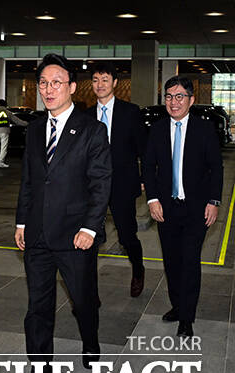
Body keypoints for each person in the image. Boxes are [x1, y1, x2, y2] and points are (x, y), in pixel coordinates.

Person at [14, 54, 111, 373]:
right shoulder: (35, 129)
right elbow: (29, 181)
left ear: (71, 87)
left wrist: (90, 228)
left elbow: (101, 183)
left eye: (56, 82)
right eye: (43, 83)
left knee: (83, 301)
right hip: (38, 234)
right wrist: (21, 221)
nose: (48, 89)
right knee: (38, 307)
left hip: (75, 235)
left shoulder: (92, 130)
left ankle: (91, 340)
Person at [143, 76, 223, 338]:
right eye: (168, 96)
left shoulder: (204, 129)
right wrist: (152, 199)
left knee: (189, 261)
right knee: (171, 261)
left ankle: (187, 317)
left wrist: (214, 201)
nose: (173, 102)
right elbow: (148, 167)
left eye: (179, 96)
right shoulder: (157, 129)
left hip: (196, 209)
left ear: (191, 100)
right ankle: (177, 306)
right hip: (165, 209)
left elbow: (216, 168)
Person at [85, 62, 147, 297]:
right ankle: (87, 288)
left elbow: (144, 150)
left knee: (127, 235)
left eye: (104, 80)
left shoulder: (130, 112)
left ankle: (138, 269)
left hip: (122, 185)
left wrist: (144, 178)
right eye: (95, 80)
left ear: (115, 83)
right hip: (92, 187)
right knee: (89, 235)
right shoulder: (85, 116)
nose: (99, 85)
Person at [0, 99, 28, 168]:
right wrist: (26, 123)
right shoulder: (8, 113)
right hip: (5, 131)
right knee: (3, 147)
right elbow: (17, 121)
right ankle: (1, 162)